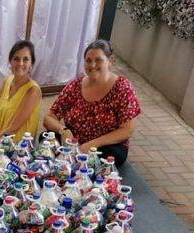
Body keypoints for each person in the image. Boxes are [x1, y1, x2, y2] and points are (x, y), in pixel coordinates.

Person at [43, 39, 141, 167]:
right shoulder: (75, 86)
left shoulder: (123, 88)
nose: (92, 65)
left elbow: (127, 130)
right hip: (73, 143)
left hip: (104, 147)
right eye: (88, 61)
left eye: (98, 60)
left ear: (110, 61)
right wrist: (64, 130)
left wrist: (92, 144)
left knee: (107, 157)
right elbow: (49, 118)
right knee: (46, 138)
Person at [0, 40, 42, 144]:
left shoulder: (33, 90)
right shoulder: (7, 81)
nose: (20, 63)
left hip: (14, 147)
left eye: (26, 59)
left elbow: (12, 128)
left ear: (31, 64)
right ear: (10, 61)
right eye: (16, 59)